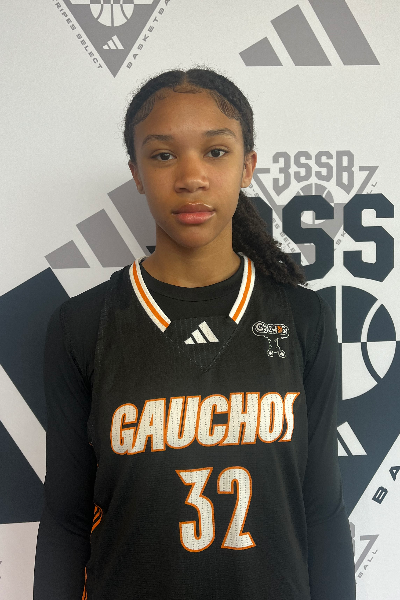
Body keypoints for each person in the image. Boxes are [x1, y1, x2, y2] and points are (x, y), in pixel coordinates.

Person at [33, 67, 356, 600]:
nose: (191, 176)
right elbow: (66, 521)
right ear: (137, 172)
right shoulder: (84, 325)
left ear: (248, 165)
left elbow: (321, 509)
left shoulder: (303, 317)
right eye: (163, 155)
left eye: (216, 151)